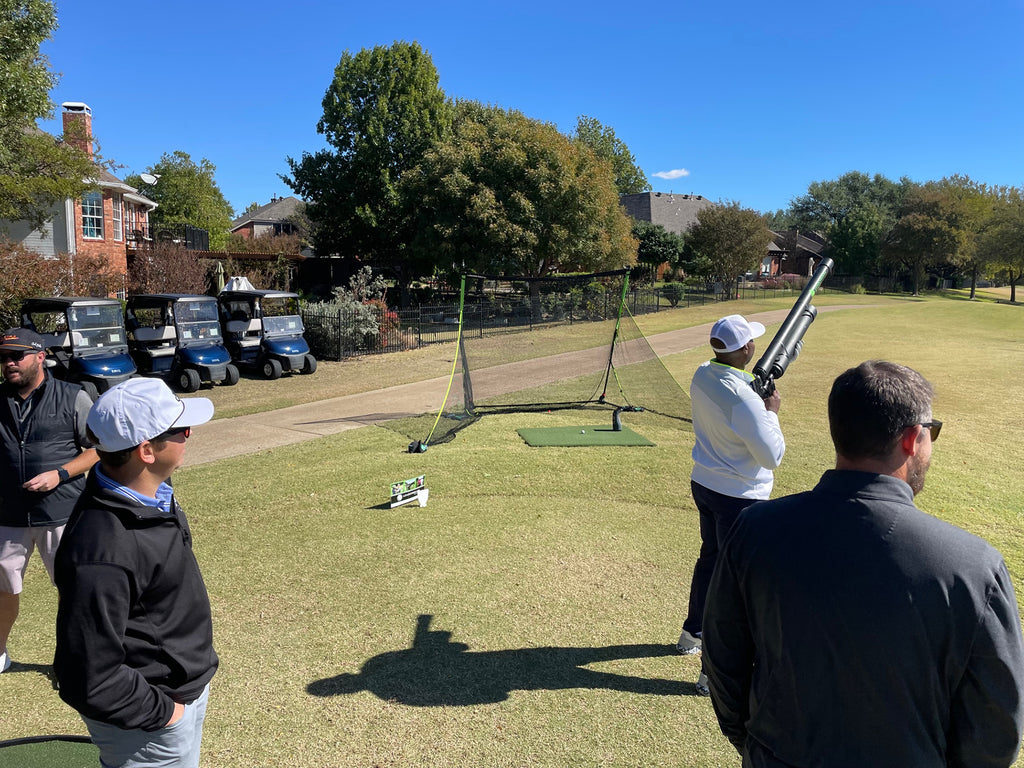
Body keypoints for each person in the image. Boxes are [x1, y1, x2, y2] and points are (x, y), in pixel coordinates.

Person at [703, 361, 1024, 767]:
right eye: (932, 432)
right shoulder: (974, 566)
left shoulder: (755, 531)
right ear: (912, 439)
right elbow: (995, 727)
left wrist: (757, 746)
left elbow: (722, 658)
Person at [54, 378, 218, 768]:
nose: (188, 436)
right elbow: (87, 676)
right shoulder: (101, 552)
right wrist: (165, 714)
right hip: (150, 718)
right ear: (146, 450)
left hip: (181, 686)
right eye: (180, 430)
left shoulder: (151, 491)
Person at [676, 315, 785, 693]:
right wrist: (770, 410)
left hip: (705, 483)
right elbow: (772, 455)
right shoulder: (746, 399)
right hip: (739, 497)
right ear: (745, 350)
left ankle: (692, 633)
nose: (755, 344)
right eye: (751, 341)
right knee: (734, 585)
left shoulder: (703, 373)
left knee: (711, 562)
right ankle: (712, 670)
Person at [0, 327, 97, 673]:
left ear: (40, 357)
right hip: (8, 516)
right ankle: (0, 653)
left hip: (62, 512)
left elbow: (98, 449)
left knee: (71, 589)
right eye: (4, 358)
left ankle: (71, 659)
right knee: (3, 589)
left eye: (17, 356)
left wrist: (60, 473)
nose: (9, 363)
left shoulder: (73, 397)